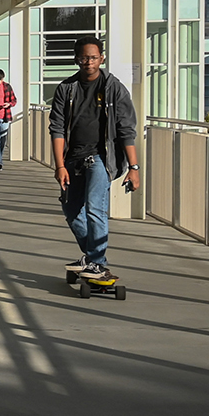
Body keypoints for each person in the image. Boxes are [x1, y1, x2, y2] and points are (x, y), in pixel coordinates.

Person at [48, 36, 140, 284]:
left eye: (93, 57)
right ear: (76, 59)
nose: (88, 62)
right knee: (71, 210)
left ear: (102, 58)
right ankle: (91, 256)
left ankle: (98, 263)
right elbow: (56, 128)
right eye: (83, 57)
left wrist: (134, 168)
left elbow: (126, 130)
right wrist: (59, 166)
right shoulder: (66, 89)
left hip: (101, 157)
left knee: (94, 208)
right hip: (72, 158)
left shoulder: (114, 88)